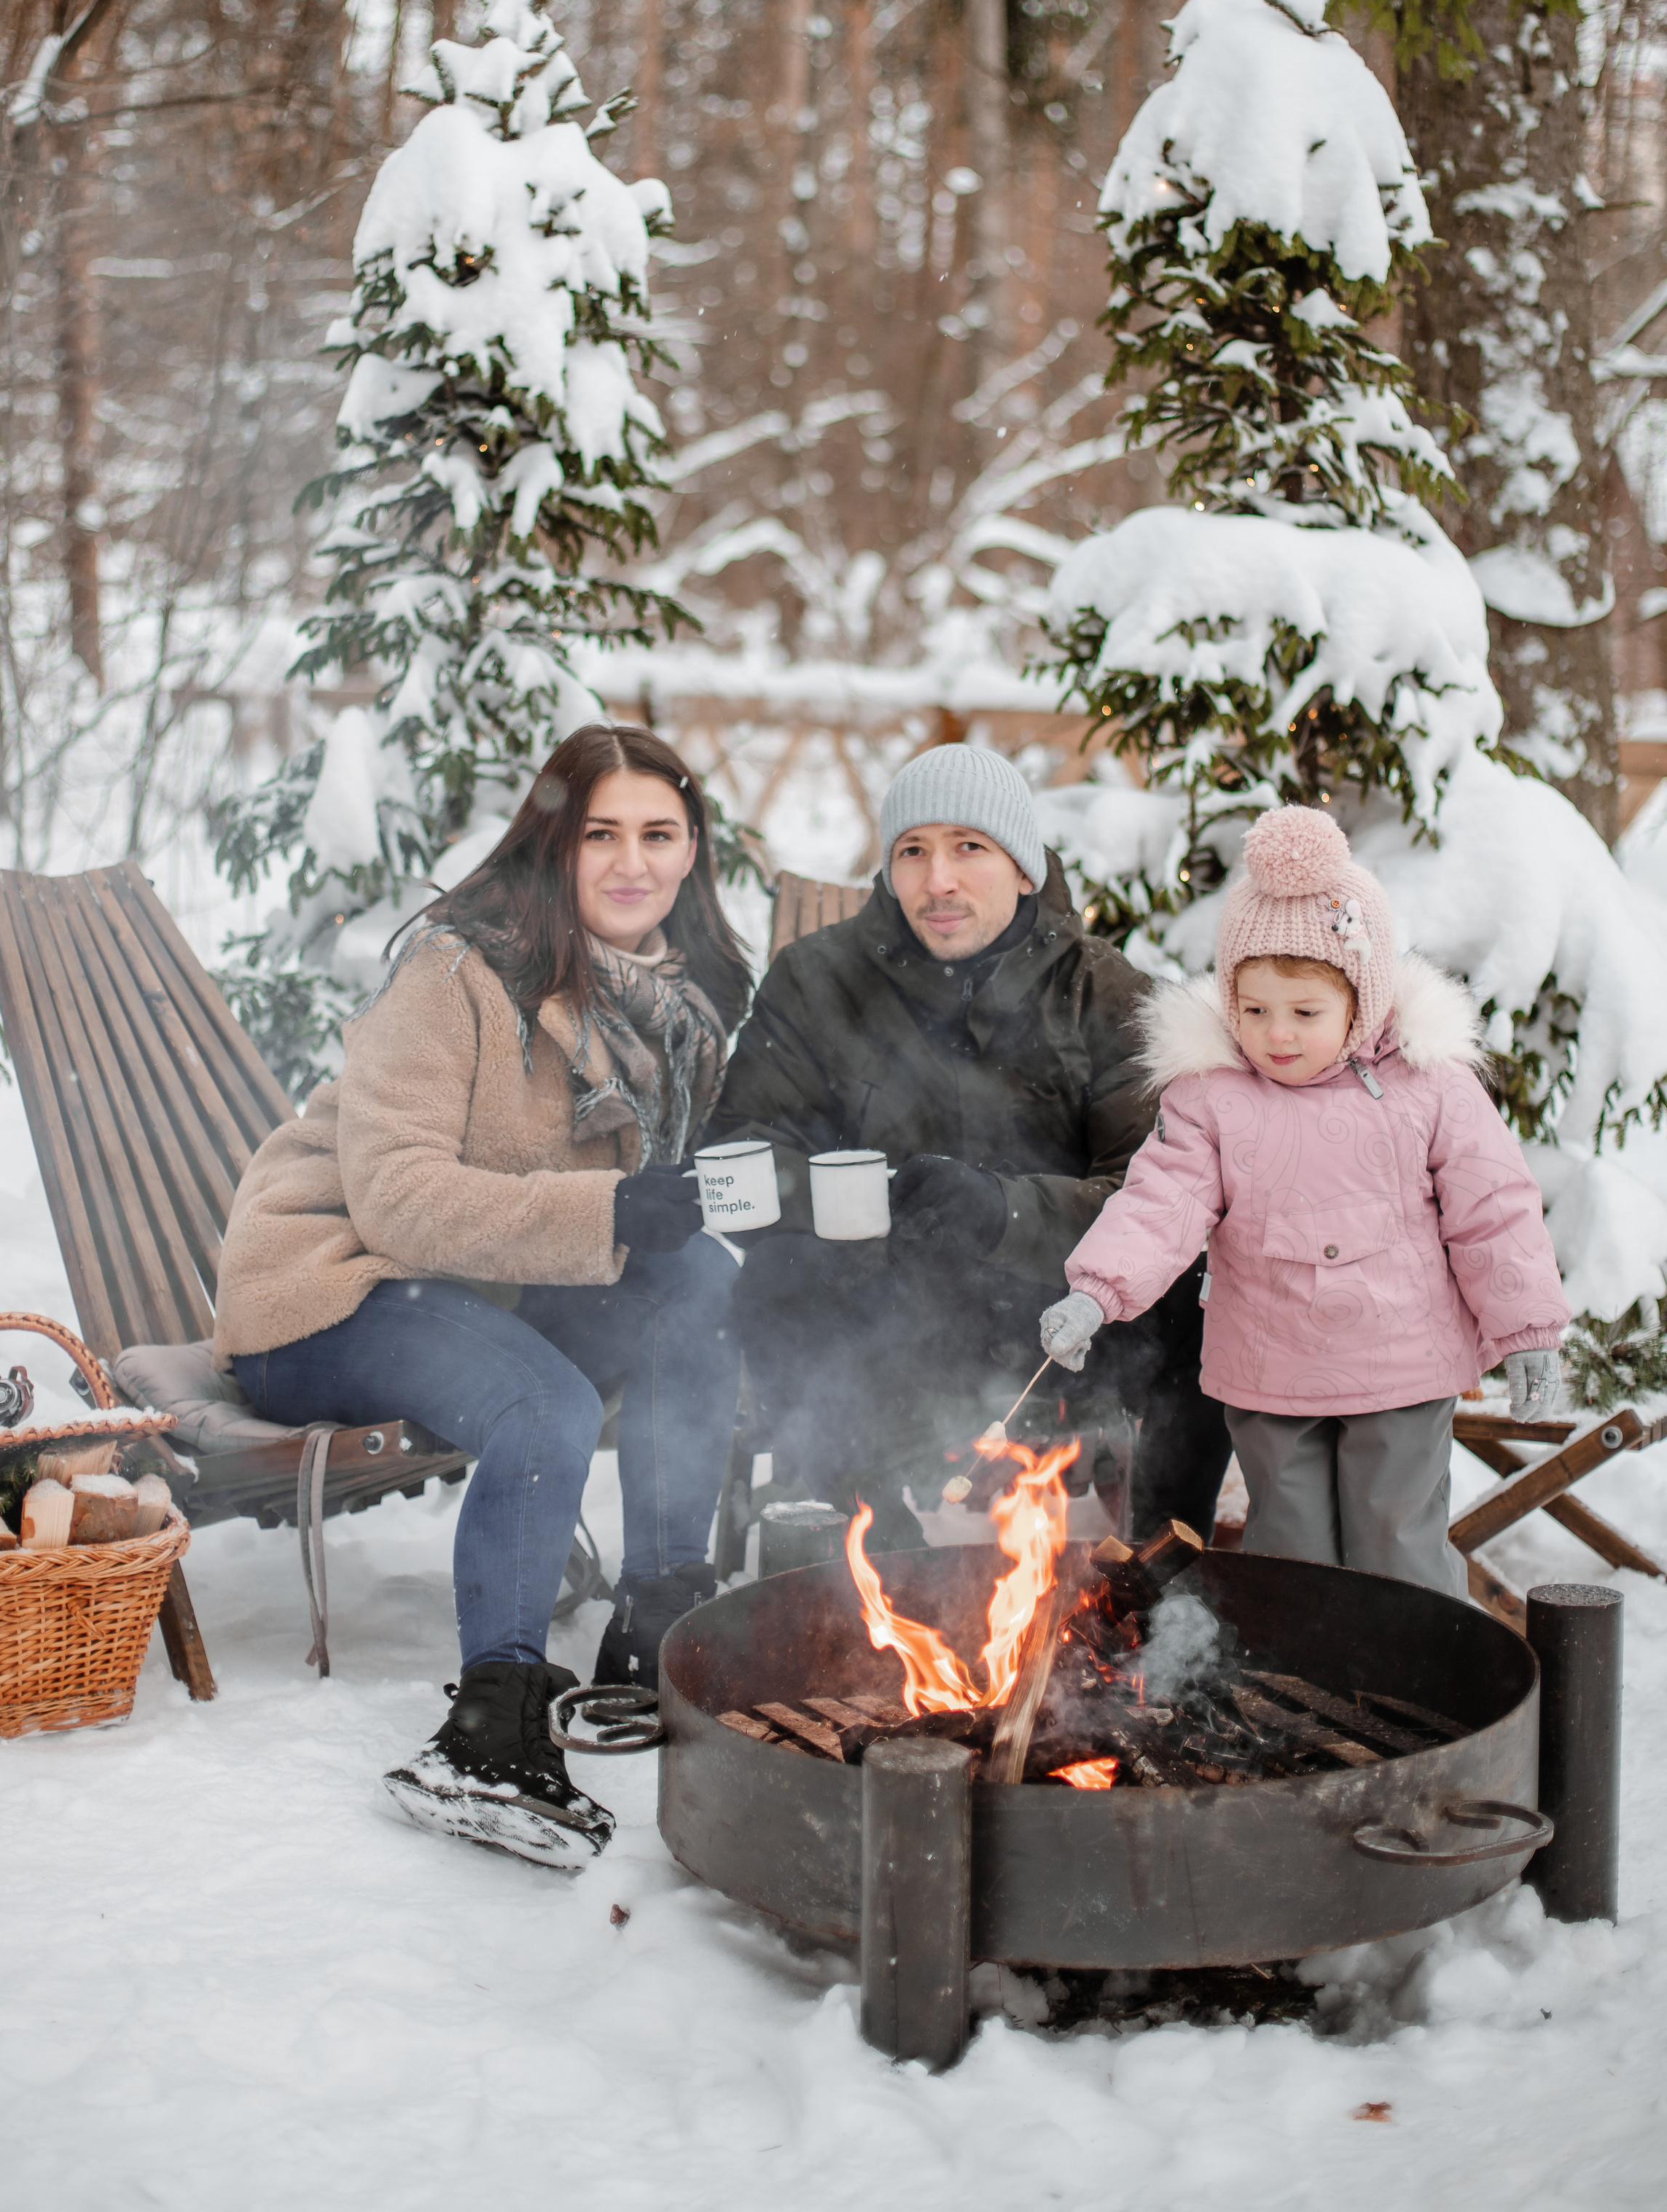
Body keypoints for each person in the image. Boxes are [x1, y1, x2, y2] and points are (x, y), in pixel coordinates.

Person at [214, 724, 749, 1867]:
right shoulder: (458, 970)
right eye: (600, 833)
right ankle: (492, 1728)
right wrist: (605, 1214)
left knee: (697, 1278)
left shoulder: (675, 1006)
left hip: (483, 1295)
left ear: (693, 850)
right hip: (334, 1291)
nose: (630, 862)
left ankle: (656, 1624)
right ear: (555, 847)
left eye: (660, 834)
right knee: (543, 1402)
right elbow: (399, 1198)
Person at [1038, 804, 1571, 1593]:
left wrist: (1527, 1330)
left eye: (1305, 1012)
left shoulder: (1429, 1087)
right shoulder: (1211, 1096)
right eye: (1253, 1010)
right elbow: (1160, 1201)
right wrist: (1096, 1292)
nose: (1276, 1035)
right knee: (1291, 1549)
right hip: (1270, 1371)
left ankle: (1418, 1685)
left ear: (1364, 999)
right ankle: (1302, 1688)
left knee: (1396, 1537)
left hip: (1402, 1365)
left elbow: (1493, 1210)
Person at [714, 744, 1231, 1547]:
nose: (938, 880)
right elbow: (742, 1151)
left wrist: (1003, 1212)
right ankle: (875, 1548)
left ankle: (1160, 1579)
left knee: (1202, 1302)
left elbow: (1156, 1187)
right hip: (885, 1311)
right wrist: (859, 1201)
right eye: (912, 851)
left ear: (1023, 868)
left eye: (969, 848)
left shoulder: (1103, 991)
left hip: (1059, 1313)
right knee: (777, 1279)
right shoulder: (817, 981)